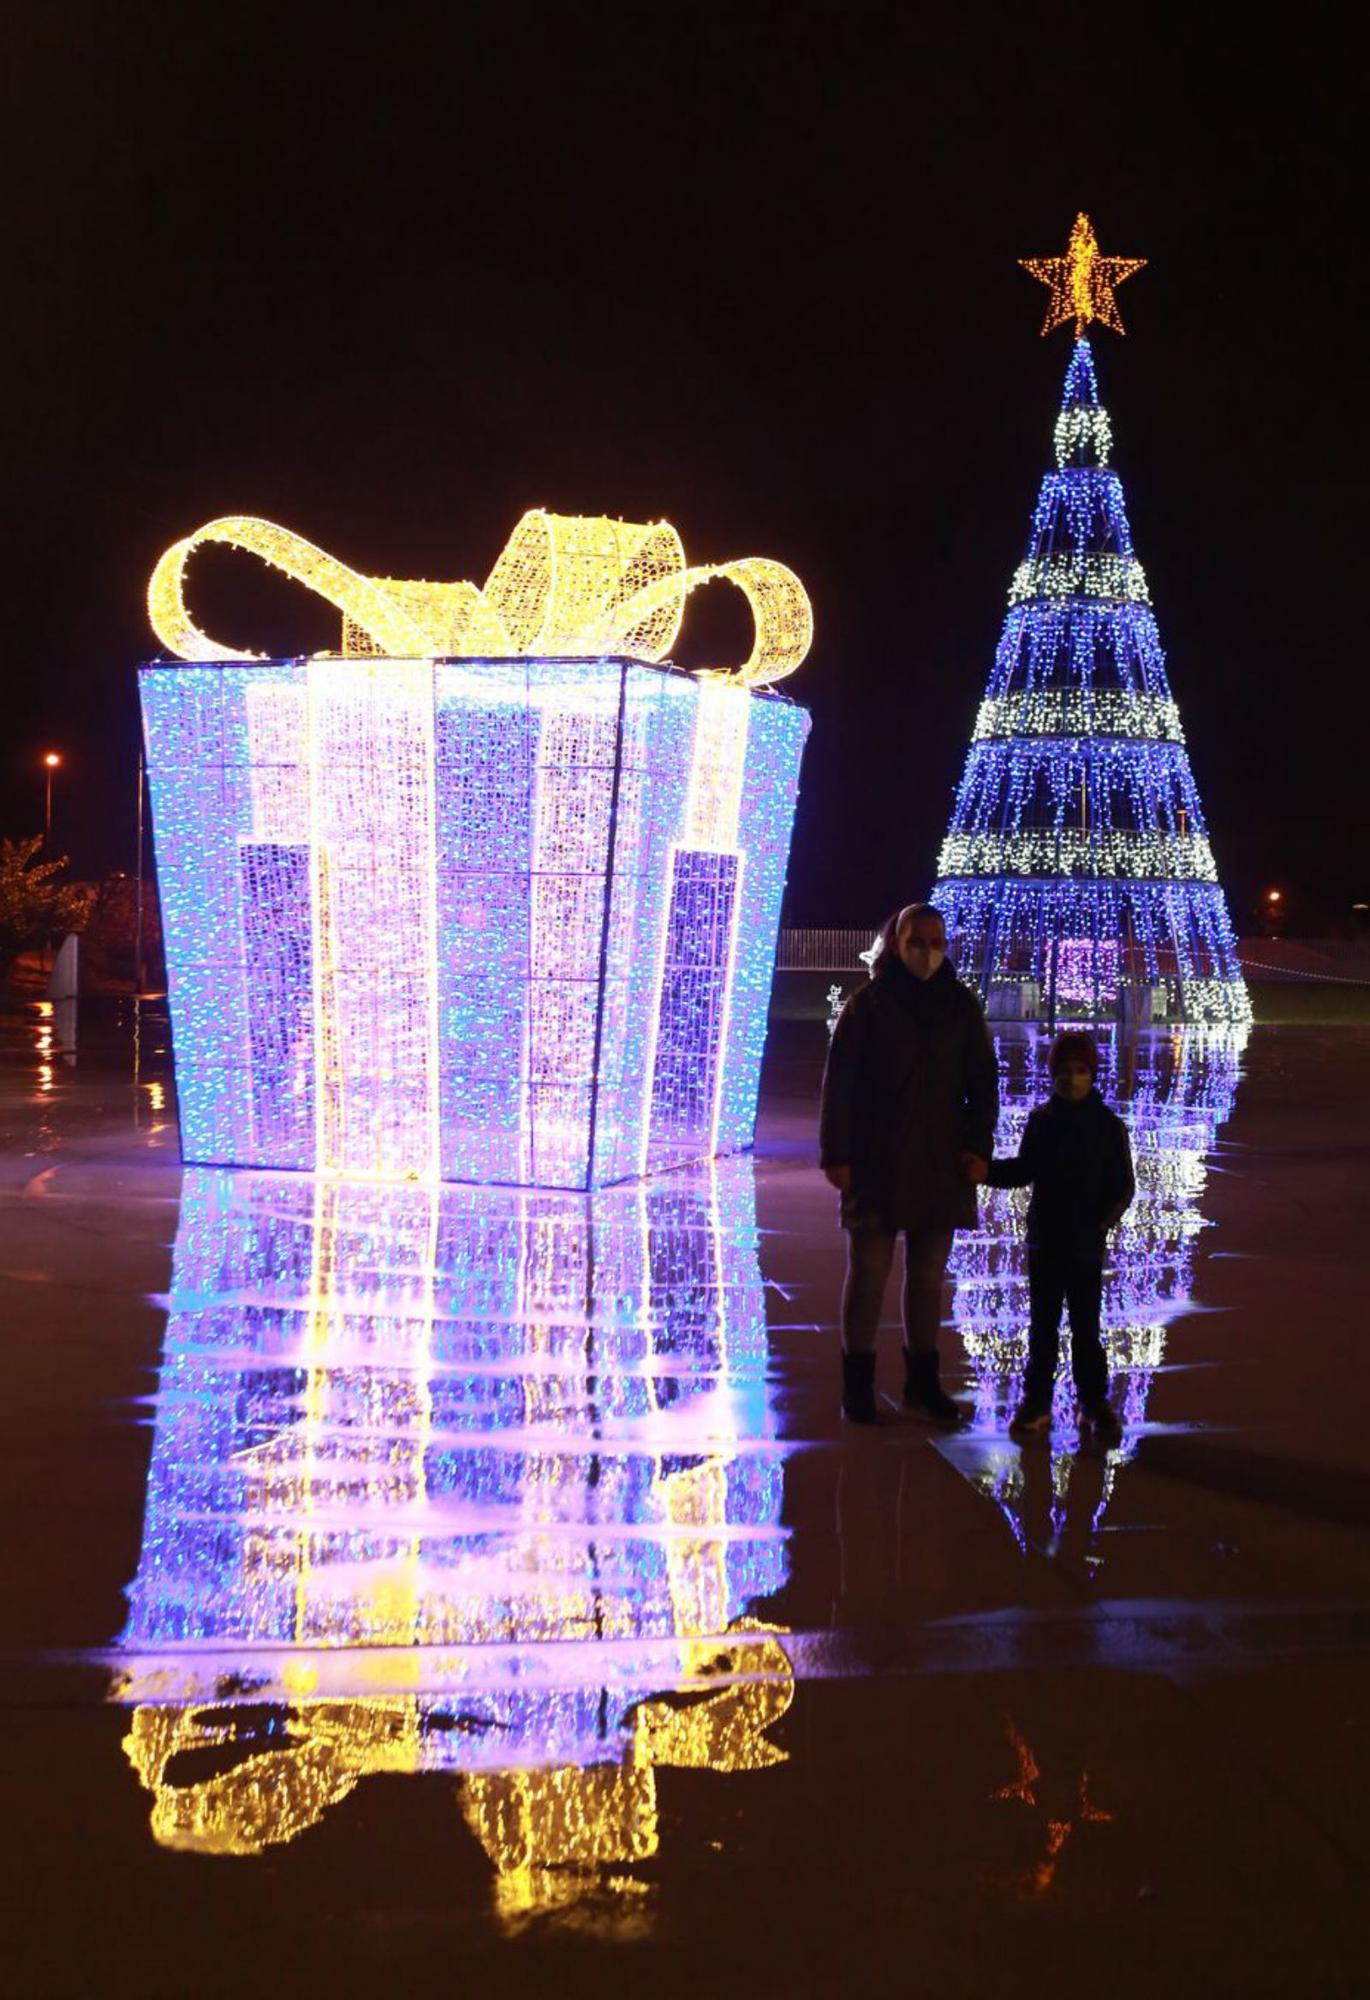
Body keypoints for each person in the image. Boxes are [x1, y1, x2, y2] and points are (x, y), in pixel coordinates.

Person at [819, 903, 998, 1426]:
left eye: (936, 941)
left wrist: (977, 1147)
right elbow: (840, 1085)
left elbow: (983, 1084)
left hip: (940, 1163)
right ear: (896, 944)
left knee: (926, 1279)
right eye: (917, 941)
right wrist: (838, 1154)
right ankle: (858, 1385)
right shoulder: (868, 1006)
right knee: (869, 1272)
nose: (928, 951)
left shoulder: (961, 1007)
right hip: (876, 1163)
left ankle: (923, 1384)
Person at [984, 1030, 1135, 1446]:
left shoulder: (1107, 1127)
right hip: (1046, 1239)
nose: (1072, 1079)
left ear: (1093, 1074)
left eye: (1080, 1071)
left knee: (1087, 1325)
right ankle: (1037, 1401)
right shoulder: (1042, 1122)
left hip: (1085, 1242)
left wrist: (1100, 1223)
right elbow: (1023, 1170)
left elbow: (1123, 1184)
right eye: (1065, 1072)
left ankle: (1092, 1400)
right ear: (1053, 1075)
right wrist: (986, 1172)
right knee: (1042, 1326)